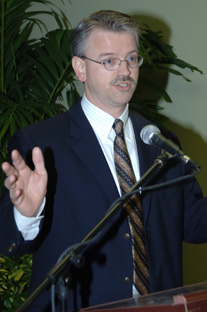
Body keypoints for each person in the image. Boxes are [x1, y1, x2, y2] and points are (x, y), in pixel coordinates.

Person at [0, 9, 207, 312]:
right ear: (80, 68)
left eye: (132, 59)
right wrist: (27, 216)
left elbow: (194, 225)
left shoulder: (161, 142)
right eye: (109, 60)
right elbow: (9, 241)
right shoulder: (40, 144)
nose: (125, 71)